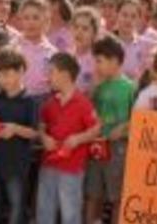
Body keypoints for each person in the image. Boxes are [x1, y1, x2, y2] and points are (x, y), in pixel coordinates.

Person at [36, 52, 100, 224]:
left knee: (70, 212)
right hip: (48, 164)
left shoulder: (83, 103)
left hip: (72, 168)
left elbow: (96, 128)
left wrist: (78, 139)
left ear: (65, 75)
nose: (47, 77)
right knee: (44, 209)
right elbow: (41, 126)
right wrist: (44, 138)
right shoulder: (49, 104)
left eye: (51, 72)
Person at [86, 35, 136, 224]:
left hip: (118, 148)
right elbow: (86, 111)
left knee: (117, 195)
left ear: (115, 60)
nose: (96, 66)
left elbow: (137, 117)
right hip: (96, 145)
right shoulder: (97, 84)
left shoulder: (130, 87)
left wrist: (123, 128)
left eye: (99, 61)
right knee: (93, 192)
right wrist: (93, 88)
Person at [0, 48, 38, 224]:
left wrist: (15, 129)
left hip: (17, 166)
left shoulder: (30, 101)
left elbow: (35, 132)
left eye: (7, 74)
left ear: (21, 71)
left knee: (17, 206)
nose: (2, 80)